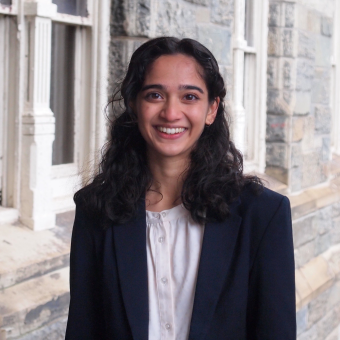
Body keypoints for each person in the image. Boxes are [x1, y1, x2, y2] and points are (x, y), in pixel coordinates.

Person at [65, 37, 296, 340]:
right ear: (135, 105)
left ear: (212, 109)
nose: (171, 113)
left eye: (189, 97)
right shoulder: (97, 209)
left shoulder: (263, 215)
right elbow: (83, 330)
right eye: (155, 95)